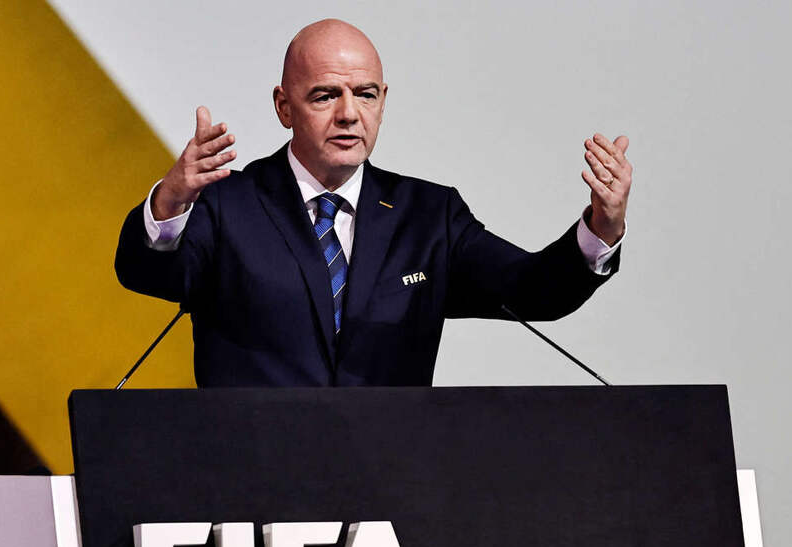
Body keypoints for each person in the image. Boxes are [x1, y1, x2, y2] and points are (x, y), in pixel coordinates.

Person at [115, 19, 633, 387]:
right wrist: (171, 201)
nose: (348, 114)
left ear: (383, 101)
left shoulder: (429, 217)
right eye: (325, 95)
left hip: (389, 484)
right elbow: (148, 274)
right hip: (253, 484)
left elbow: (535, 292)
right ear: (284, 107)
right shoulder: (229, 205)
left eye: (365, 94)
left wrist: (602, 227)